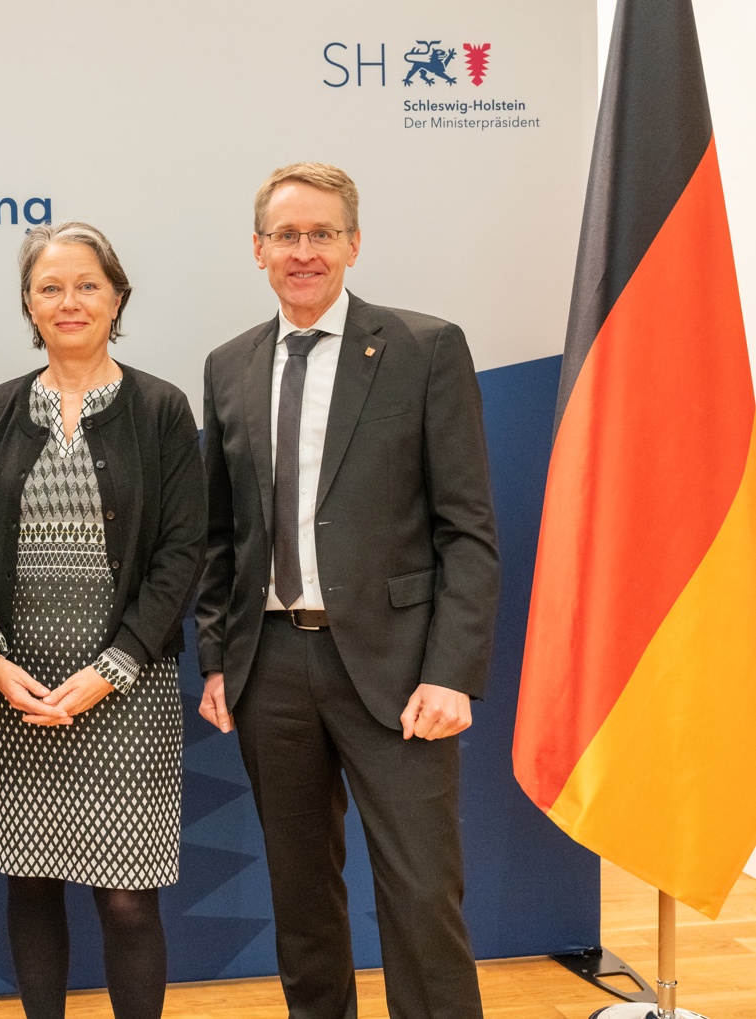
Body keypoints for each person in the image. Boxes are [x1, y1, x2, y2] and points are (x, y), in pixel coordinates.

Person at [195, 162, 500, 1018]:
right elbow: (222, 538)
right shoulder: (227, 366)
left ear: (353, 244)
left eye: (321, 233)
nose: (303, 251)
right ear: (257, 250)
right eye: (286, 235)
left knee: (419, 896)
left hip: (400, 673)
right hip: (269, 672)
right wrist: (218, 657)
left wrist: (451, 671)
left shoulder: (423, 347)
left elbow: (466, 529)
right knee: (300, 899)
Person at [0, 222, 205, 1019]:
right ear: (28, 305)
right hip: (14, 692)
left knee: (128, 900)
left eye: (87, 285)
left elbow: (180, 552)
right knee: (30, 881)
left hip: (125, 689)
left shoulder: (160, 408)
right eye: (50, 287)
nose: (69, 301)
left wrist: (110, 670)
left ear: (117, 296)